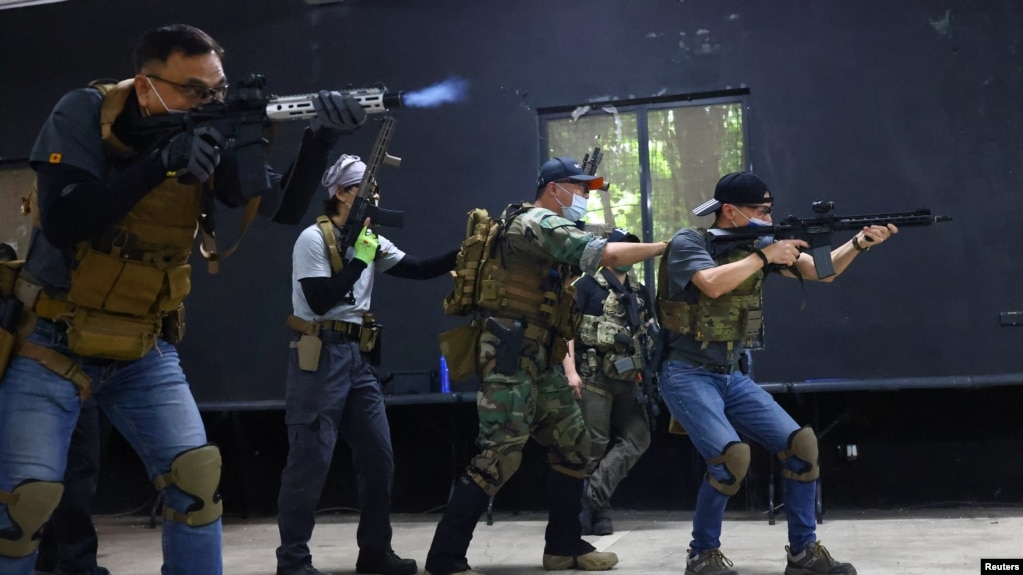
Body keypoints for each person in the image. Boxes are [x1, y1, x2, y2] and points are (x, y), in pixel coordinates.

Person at [0, 23, 366, 575]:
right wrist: (160, 163)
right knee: (22, 508)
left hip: (143, 344)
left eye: (216, 89)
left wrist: (320, 140)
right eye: (194, 90)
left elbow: (283, 208)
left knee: (195, 483)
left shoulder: (212, 130)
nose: (209, 101)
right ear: (146, 85)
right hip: (50, 338)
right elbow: (65, 219)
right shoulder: (86, 112)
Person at [423, 156, 667, 575]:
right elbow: (604, 254)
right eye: (579, 188)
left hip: (541, 354)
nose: (584, 197)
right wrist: (666, 246)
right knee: (499, 454)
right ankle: (445, 556)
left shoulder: (551, 228)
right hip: (509, 352)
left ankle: (564, 547)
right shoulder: (536, 221)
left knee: (574, 447)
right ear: (555, 188)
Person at [658, 171, 897, 575]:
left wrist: (858, 243)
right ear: (730, 212)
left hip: (730, 373)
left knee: (802, 447)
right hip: (686, 371)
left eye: (770, 211)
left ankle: (803, 552)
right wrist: (767, 255)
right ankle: (701, 555)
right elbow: (711, 284)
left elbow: (824, 270)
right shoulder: (689, 242)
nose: (770, 218)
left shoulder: (757, 245)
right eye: (762, 211)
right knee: (731, 460)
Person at [276, 154, 459, 575]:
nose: (375, 197)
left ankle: (375, 551)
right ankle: (293, 560)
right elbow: (322, 299)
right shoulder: (313, 239)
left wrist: (465, 251)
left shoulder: (368, 237)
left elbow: (417, 268)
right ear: (341, 193)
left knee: (379, 456)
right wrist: (359, 258)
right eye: (365, 189)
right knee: (310, 460)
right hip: (320, 353)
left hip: (357, 358)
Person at [561, 228, 654, 537]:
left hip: (630, 377)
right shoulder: (586, 286)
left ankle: (590, 500)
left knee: (638, 438)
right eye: (622, 248)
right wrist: (570, 370)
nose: (628, 254)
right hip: (593, 376)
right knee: (593, 447)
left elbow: (650, 333)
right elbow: (567, 330)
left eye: (632, 249)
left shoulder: (640, 291)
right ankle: (597, 512)